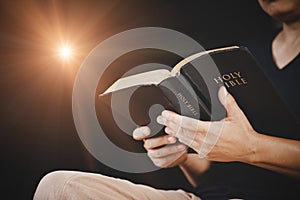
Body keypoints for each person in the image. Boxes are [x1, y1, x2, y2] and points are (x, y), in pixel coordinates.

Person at [34, 0, 300, 199]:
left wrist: (252, 147)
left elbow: (245, 149)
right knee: (58, 187)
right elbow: (212, 175)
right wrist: (181, 155)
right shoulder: (244, 54)